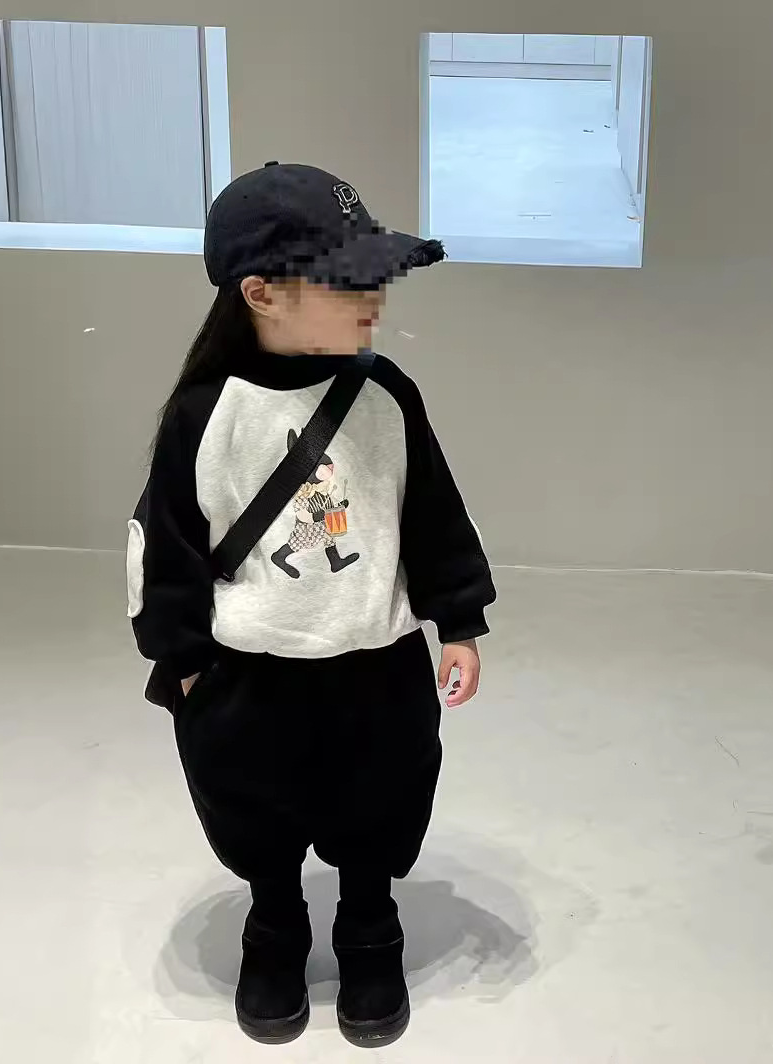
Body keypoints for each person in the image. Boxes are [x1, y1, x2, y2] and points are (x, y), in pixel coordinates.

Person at [126, 162, 496, 1048]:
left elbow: (431, 514)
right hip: (249, 672)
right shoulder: (206, 414)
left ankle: (369, 925)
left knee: (381, 800)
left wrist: (459, 622)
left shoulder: (387, 396)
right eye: (350, 280)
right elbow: (165, 545)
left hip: (376, 662)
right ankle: (276, 924)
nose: (377, 298)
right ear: (261, 293)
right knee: (255, 806)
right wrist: (182, 662)